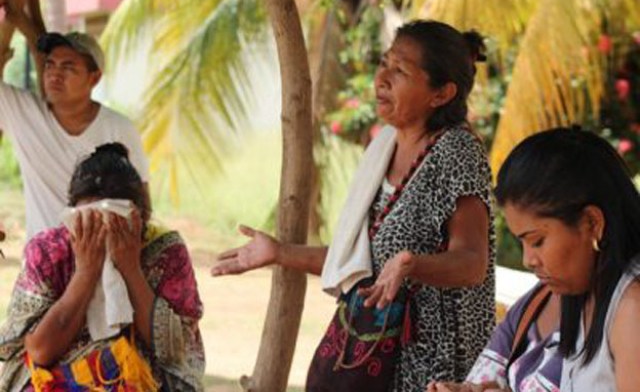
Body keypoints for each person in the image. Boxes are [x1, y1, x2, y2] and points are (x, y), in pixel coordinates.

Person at [212, 20, 496, 390]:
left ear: (441, 93)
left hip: (435, 368)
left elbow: (473, 264)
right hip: (377, 356)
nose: (382, 79)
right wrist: (279, 253)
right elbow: (362, 261)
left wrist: (412, 265)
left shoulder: (457, 151)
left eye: (400, 70)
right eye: (384, 63)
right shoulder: (383, 148)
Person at [0, 143, 204, 391]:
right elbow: (41, 351)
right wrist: (86, 272)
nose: (103, 231)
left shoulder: (165, 251)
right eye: (90, 220)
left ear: (140, 217)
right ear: (73, 214)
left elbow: (175, 351)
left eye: (116, 220)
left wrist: (130, 269)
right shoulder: (49, 251)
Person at [493, 127, 640, 391]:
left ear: (592, 223)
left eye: (537, 241)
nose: (528, 260)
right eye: (521, 242)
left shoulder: (632, 308)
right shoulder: (586, 292)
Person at [0, 0, 150, 239]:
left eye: (68, 68)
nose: (55, 75)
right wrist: (14, 18)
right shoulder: (23, 114)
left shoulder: (118, 128)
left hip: (103, 269)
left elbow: (142, 206)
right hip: (42, 268)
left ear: (94, 78)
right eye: (50, 65)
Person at [426, 284, 562, 392]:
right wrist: (476, 388)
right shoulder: (533, 302)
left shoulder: (581, 337)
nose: (528, 261)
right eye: (524, 247)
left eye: (538, 246)